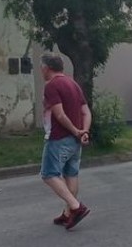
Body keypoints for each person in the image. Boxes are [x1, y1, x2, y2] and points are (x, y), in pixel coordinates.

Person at [39, 53, 92, 230]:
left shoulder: (51, 85)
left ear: (46, 68)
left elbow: (59, 115)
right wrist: (84, 131)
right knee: (71, 173)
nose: (41, 71)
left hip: (59, 137)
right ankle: (68, 213)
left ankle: (76, 207)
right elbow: (86, 111)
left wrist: (76, 131)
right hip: (75, 139)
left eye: (41, 68)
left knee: (49, 174)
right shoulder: (73, 84)